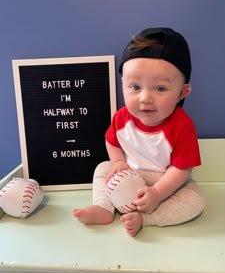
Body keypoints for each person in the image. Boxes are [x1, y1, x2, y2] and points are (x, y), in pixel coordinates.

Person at [73, 27, 206, 236]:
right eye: (135, 87)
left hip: (165, 181)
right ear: (123, 85)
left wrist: (157, 193)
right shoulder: (122, 117)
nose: (145, 98)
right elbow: (112, 141)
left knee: (195, 200)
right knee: (102, 169)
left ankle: (145, 217)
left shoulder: (182, 125)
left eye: (160, 88)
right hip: (130, 174)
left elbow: (182, 169)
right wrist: (118, 162)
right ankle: (104, 207)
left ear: (182, 92)